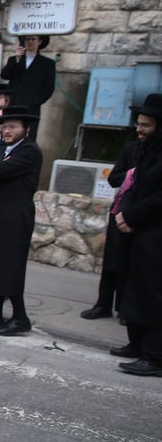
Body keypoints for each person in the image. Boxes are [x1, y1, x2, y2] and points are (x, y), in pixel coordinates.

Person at [0, 106, 44, 336]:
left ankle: (20, 317)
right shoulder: (8, 148)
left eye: (13, 127)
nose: (7, 131)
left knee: (10, 266)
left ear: (27, 130)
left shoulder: (29, 151)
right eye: (5, 126)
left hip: (14, 218)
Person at [112, 93, 162, 376]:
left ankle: (155, 356)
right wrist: (125, 215)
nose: (139, 130)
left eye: (146, 125)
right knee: (135, 288)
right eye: (139, 124)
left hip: (154, 234)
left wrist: (131, 216)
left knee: (153, 293)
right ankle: (137, 344)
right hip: (138, 230)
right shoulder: (147, 151)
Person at [81, 138, 137, 321]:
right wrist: (132, 174)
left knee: (134, 264)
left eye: (146, 125)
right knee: (112, 260)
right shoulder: (132, 147)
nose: (140, 129)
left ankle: (125, 308)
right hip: (121, 210)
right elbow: (114, 178)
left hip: (145, 213)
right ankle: (103, 304)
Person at [1, 35, 56, 119]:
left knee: (29, 130)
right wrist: (17, 60)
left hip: (31, 107)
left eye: (33, 39)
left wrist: (36, 101)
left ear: (39, 42)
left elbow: (49, 87)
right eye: (27, 39)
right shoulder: (13, 59)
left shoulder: (47, 64)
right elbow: (4, 75)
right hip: (12, 104)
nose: (30, 42)